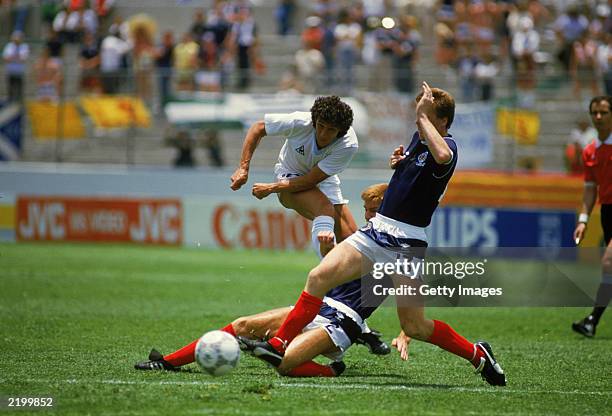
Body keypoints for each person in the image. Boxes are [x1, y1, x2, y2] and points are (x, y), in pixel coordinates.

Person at [239, 82, 507, 386]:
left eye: (426, 115)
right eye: (417, 114)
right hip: (377, 232)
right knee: (318, 277)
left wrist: (421, 118)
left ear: (442, 122)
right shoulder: (419, 140)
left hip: (406, 244)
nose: (418, 120)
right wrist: (399, 162)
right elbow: (411, 178)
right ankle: (277, 346)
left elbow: (443, 155)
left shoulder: (449, 146)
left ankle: (478, 355)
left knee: (415, 326)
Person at [134, 184, 397, 376]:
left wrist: (407, 332)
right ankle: (167, 362)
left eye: (374, 211)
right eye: (366, 210)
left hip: (343, 324)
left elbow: (411, 296)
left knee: (283, 364)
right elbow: (336, 270)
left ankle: (332, 370)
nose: (368, 216)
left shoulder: (399, 247)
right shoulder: (364, 238)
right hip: (322, 308)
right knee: (242, 325)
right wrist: (329, 250)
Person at [230, 96, 359, 260]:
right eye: (320, 126)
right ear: (314, 121)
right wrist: (243, 167)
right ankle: (327, 270)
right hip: (289, 174)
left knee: (351, 240)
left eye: (331, 130)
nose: (323, 134)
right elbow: (258, 127)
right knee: (325, 209)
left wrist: (271, 188)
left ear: (340, 132)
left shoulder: (348, 144)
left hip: (321, 179)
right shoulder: (299, 122)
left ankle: (350, 282)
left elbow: (310, 181)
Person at [572, 95, 612, 338]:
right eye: (594, 113)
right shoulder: (590, 151)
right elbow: (590, 189)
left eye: (604, 112)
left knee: (608, 263)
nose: (598, 117)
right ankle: (592, 322)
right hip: (607, 212)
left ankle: (592, 320)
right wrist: (583, 219)